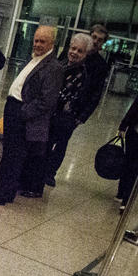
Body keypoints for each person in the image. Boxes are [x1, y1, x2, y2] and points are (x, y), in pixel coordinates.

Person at [0, 24, 62, 204]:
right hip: (15, 109)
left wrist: (22, 114)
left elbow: (47, 101)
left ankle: (1, 194)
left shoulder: (53, 67)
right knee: (9, 153)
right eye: (36, 40)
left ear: (52, 43)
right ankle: (2, 191)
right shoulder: (34, 59)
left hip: (24, 116)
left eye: (42, 41)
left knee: (13, 157)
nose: (37, 44)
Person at [44, 34, 102, 187]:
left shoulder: (81, 73)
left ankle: (48, 173)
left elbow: (93, 96)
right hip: (52, 113)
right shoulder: (63, 64)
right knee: (46, 143)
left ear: (86, 54)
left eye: (80, 51)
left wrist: (80, 117)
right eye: (73, 48)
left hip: (65, 117)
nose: (74, 52)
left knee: (58, 144)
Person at [117, 94, 138, 210]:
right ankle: (123, 194)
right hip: (134, 133)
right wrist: (123, 125)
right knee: (130, 164)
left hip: (134, 131)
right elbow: (134, 107)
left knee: (131, 165)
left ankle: (124, 196)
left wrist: (123, 125)